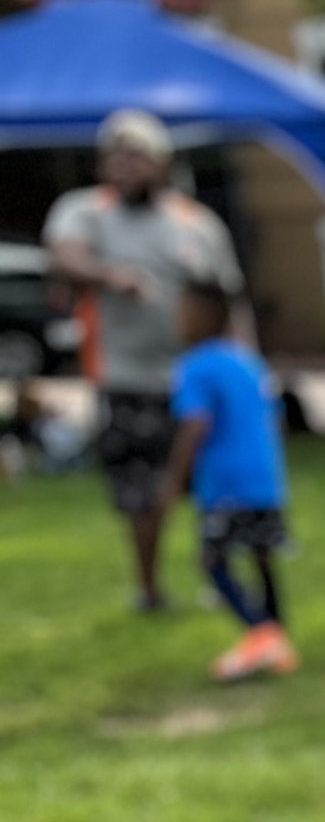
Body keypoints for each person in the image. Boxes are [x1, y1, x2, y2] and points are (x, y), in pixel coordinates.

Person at [43, 109, 245, 611]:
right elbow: (64, 257)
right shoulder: (86, 212)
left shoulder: (196, 224)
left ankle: (218, 578)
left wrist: (244, 370)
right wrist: (109, 275)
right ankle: (150, 590)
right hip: (126, 378)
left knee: (215, 485)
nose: (123, 165)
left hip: (194, 378)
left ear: (163, 162)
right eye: (112, 155)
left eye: (135, 154)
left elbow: (230, 300)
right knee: (141, 493)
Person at [168, 278, 297, 681]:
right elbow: (275, 418)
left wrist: (175, 476)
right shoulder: (247, 360)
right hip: (265, 480)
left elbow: (195, 424)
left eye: (185, 313)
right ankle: (277, 639)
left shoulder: (195, 366)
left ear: (209, 316)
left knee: (214, 561)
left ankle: (262, 633)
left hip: (225, 484)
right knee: (262, 556)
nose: (179, 321)